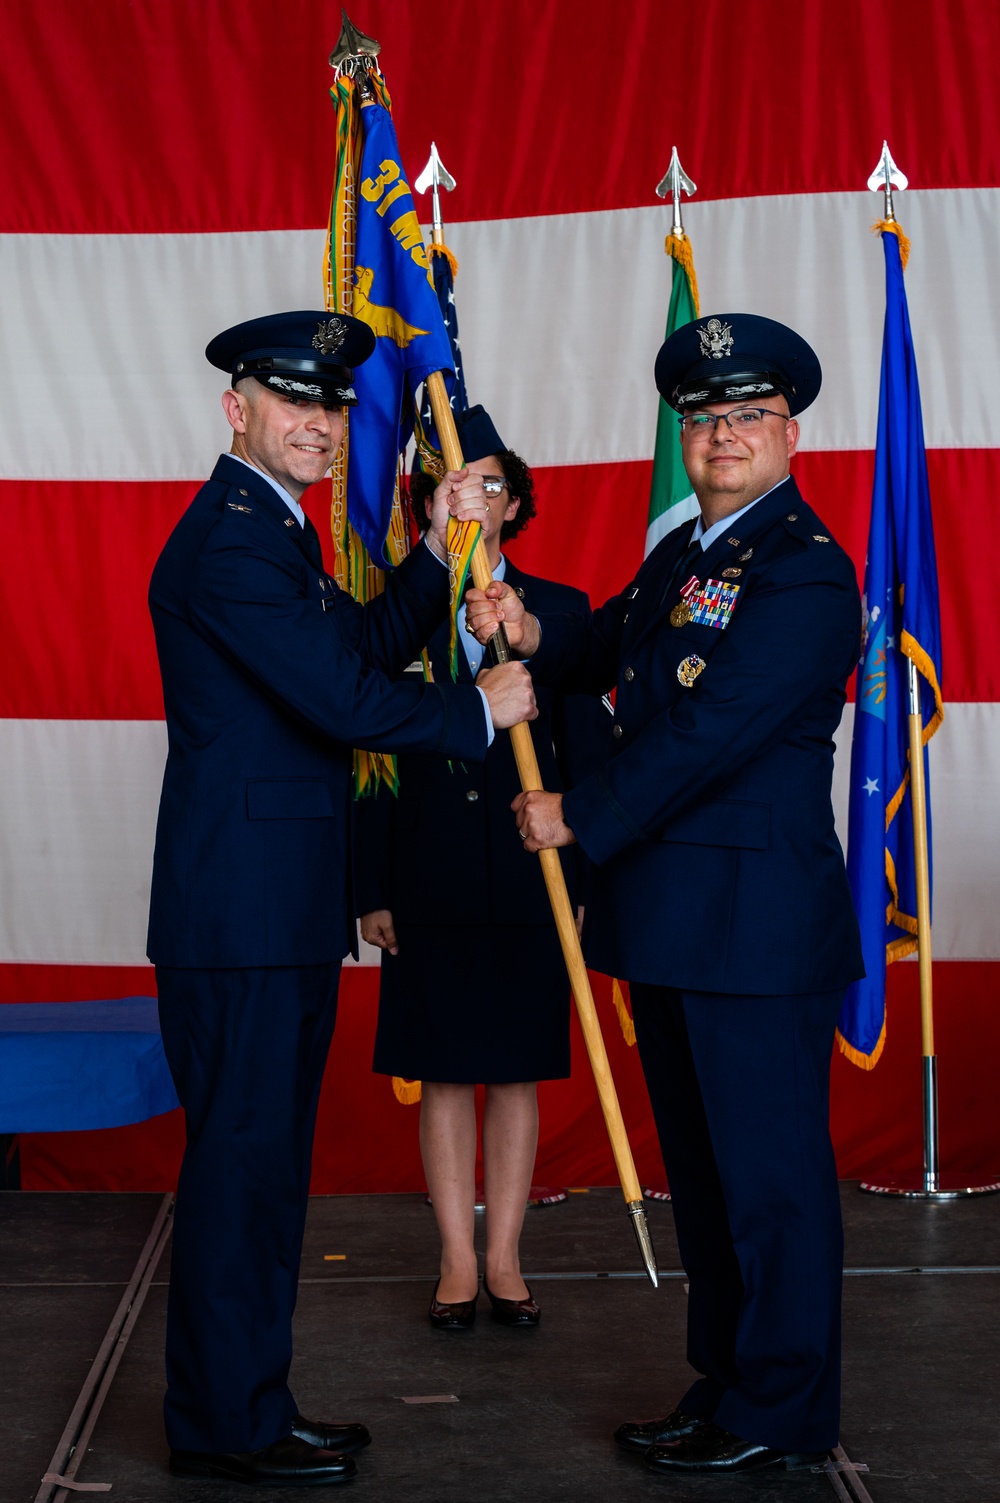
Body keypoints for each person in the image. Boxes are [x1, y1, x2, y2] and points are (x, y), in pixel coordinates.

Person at [465, 314, 865, 1476]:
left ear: (789, 431)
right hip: (679, 921)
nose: (722, 434)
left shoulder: (802, 570)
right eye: (703, 419)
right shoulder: (693, 551)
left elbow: (710, 731)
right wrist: (532, 627)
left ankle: (782, 1409)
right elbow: (623, 650)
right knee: (707, 1181)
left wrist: (577, 813)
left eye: (746, 416)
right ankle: (726, 1382)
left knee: (771, 1186)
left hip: (754, 928)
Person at [146, 311, 537, 1488]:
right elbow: (349, 704)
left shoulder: (272, 533)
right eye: (293, 405)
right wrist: (482, 713)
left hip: (269, 906)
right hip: (241, 914)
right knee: (241, 1171)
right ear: (238, 411)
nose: (318, 427)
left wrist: (429, 546)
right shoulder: (230, 542)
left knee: (261, 1172)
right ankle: (228, 1428)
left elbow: (359, 650)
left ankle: (248, 1406)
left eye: (331, 410)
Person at [356, 405, 607, 1331]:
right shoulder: (394, 615)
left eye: (494, 482)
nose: (478, 496)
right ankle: (455, 1260)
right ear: (431, 499)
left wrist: (582, 884)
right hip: (428, 876)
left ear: (512, 503)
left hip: (529, 874)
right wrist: (370, 887)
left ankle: (504, 1255)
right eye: (460, 482)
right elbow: (369, 763)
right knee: (446, 1071)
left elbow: (582, 757)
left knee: (513, 1072)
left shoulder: (565, 616)